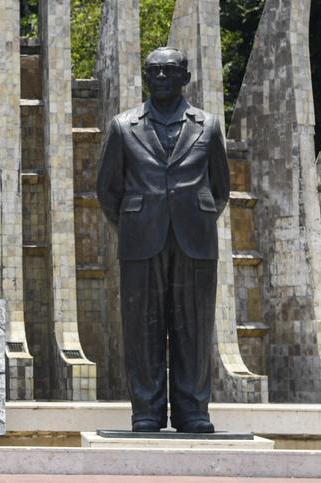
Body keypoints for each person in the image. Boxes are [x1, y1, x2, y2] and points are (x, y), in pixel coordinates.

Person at [96, 46, 230, 434]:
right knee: (143, 327)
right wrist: (135, 222)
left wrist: (194, 215)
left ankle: (192, 411)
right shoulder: (124, 125)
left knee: (194, 324)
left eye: (169, 71)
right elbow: (107, 190)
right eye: (153, 72)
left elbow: (221, 188)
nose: (160, 78)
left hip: (195, 239)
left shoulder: (208, 125)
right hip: (141, 239)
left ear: (185, 77)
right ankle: (147, 411)